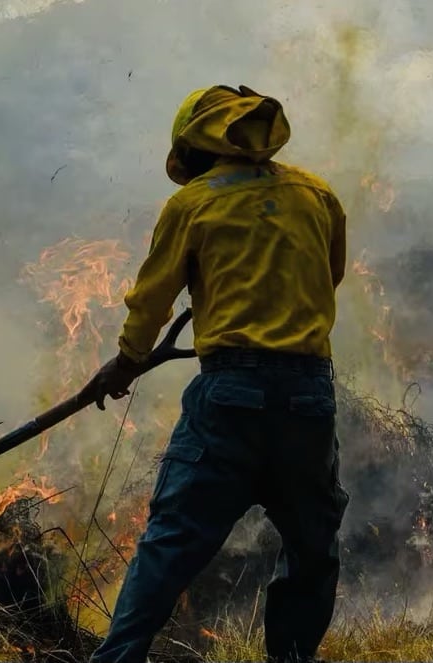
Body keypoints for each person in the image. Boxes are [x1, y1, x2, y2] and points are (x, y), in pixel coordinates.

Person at [85, 84, 350, 663]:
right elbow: (328, 275)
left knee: (171, 543)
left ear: (196, 144)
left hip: (230, 394)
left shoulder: (194, 203)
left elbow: (152, 301)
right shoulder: (316, 194)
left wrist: (126, 362)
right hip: (310, 397)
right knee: (311, 549)